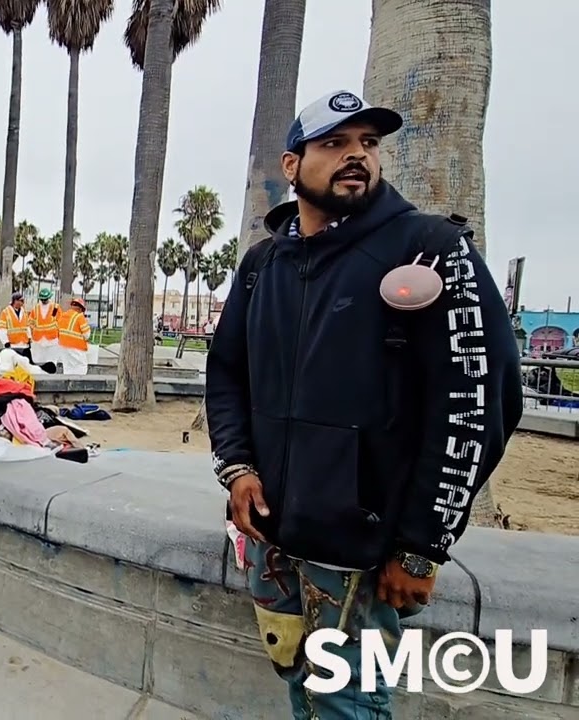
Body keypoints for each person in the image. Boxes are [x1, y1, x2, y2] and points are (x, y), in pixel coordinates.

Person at [205, 90, 523, 718]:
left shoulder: (431, 252)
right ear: (292, 165)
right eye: (334, 143)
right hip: (274, 540)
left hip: (361, 557)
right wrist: (238, 469)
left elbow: (475, 407)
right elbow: (226, 376)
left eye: (368, 144)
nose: (357, 156)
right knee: (302, 688)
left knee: (350, 705)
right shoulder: (261, 265)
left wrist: (422, 547)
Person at [56, 298, 91, 375]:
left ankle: (68, 385)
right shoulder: (79, 317)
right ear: (80, 308)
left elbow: (58, 330)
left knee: (67, 368)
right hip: (76, 348)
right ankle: (77, 385)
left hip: (63, 347)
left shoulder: (63, 315)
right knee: (81, 366)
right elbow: (87, 335)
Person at [28, 287, 61, 367]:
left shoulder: (55, 308)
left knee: (51, 361)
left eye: (45, 299)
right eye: (42, 299)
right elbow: (30, 322)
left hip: (52, 339)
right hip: (38, 340)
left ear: (49, 298)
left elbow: (59, 321)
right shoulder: (36, 308)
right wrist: (33, 330)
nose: (43, 301)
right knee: (38, 361)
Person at [0, 291, 31, 358]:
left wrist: (29, 338)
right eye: (21, 301)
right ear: (15, 301)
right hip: (12, 345)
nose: (22, 303)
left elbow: (27, 327)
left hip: (24, 345)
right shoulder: (5, 312)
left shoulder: (24, 312)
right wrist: (6, 342)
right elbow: (2, 329)